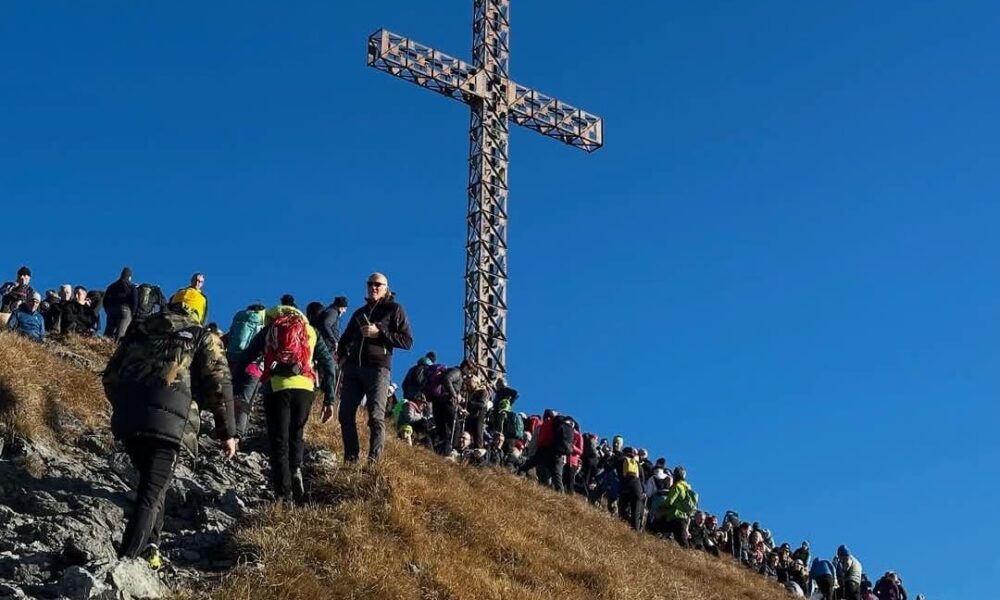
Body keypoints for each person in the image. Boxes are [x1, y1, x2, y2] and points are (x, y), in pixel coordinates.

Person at [102, 296, 237, 569]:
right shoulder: (202, 335)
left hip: (130, 420)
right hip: (170, 424)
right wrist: (228, 433)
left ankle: (151, 547)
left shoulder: (140, 329)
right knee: (151, 492)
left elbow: (110, 376)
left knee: (152, 485)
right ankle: (124, 562)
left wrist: (125, 407)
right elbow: (219, 383)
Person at [234, 301, 336, 502]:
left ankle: (283, 494)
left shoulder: (271, 328)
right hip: (305, 388)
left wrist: (236, 388)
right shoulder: (311, 330)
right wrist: (329, 399)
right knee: (296, 433)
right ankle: (296, 468)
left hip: (277, 387)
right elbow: (329, 364)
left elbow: (246, 357)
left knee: (278, 440)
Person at [332, 272, 413, 464]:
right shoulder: (360, 313)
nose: (373, 287)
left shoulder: (394, 309)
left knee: (376, 417)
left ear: (386, 288)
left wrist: (380, 333)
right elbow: (344, 340)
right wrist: (343, 360)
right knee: (344, 415)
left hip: (378, 369)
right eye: (370, 284)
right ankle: (351, 460)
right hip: (354, 369)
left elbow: (407, 340)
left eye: (377, 284)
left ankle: (373, 463)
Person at [226, 303, 266, 438]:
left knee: (230, 397)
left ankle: (225, 431)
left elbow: (227, 338)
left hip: (233, 363)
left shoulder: (239, 320)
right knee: (245, 401)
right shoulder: (261, 325)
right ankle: (238, 435)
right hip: (253, 367)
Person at [661, 465, 698, 546]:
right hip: (684, 517)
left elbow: (670, 501)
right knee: (680, 539)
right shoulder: (687, 487)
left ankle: (688, 556)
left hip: (675, 516)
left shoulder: (677, 486)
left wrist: (660, 506)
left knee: (682, 541)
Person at [103, 267, 137, 341]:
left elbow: (104, 300)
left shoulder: (111, 286)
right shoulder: (131, 286)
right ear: (130, 277)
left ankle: (102, 346)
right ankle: (115, 349)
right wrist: (133, 313)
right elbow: (134, 301)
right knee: (121, 332)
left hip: (111, 310)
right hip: (125, 310)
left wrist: (108, 310)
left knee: (108, 331)